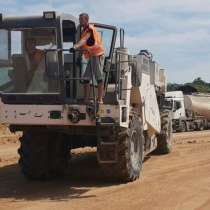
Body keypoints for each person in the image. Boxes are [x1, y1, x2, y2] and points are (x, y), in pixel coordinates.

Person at [70, 13, 105, 104]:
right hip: (91, 56)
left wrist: (75, 47)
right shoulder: (84, 30)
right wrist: (79, 56)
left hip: (97, 55)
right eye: (79, 19)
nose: (80, 20)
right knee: (86, 78)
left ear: (86, 20)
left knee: (99, 78)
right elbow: (85, 45)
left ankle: (100, 99)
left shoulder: (90, 29)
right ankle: (86, 99)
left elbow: (84, 40)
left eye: (81, 19)